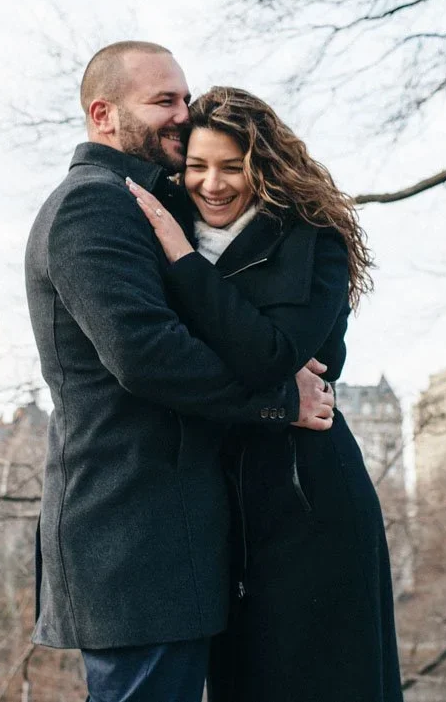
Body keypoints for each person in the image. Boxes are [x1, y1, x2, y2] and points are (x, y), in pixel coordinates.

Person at [25, 42, 336, 702]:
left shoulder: (150, 202)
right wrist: (279, 398)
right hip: (134, 542)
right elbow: (147, 353)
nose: (182, 113)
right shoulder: (93, 204)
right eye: (163, 100)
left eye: (184, 98)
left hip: (169, 545)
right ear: (103, 113)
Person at [128, 86, 404, 702]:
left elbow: (272, 357)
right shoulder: (150, 229)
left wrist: (183, 259)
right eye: (198, 166)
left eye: (233, 167)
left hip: (310, 501)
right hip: (212, 510)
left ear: (264, 166)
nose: (213, 184)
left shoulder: (315, 241)